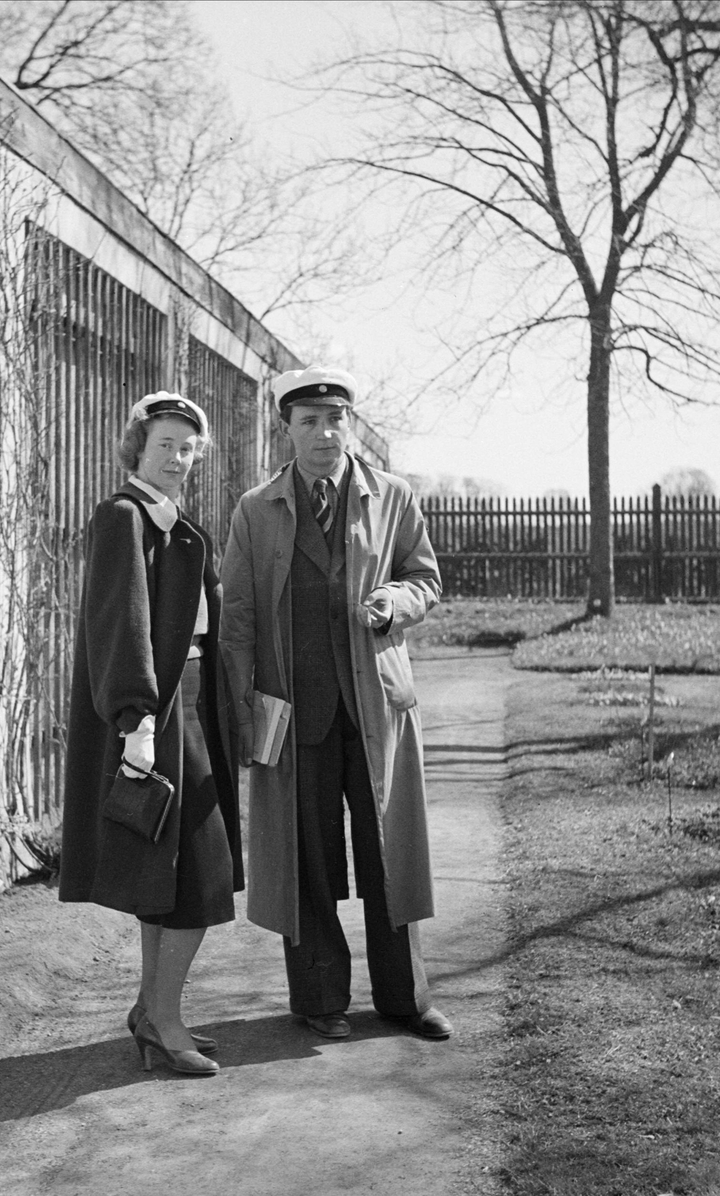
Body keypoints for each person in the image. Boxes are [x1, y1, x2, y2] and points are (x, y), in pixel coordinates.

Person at [220, 366, 451, 1041]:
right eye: (309, 421)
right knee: (309, 856)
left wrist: (395, 602)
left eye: (336, 418)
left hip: (376, 705)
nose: (325, 432)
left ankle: (406, 1000)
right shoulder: (254, 511)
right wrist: (242, 719)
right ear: (286, 430)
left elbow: (425, 578)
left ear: (350, 423)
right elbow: (236, 621)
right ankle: (319, 1000)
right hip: (295, 718)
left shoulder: (392, 497)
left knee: (390, 854)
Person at [59, 392, 242, 1077]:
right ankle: (166, 1021)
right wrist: (136, 718)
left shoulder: (180, 523)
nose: (176, 457)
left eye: (188, 447)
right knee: (201, 870)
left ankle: (149, 1011)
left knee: (172, 873)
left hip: (195, 707)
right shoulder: (123, 517)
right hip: (156, 715)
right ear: (137, 445)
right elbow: (121, 621)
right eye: (164, 443)